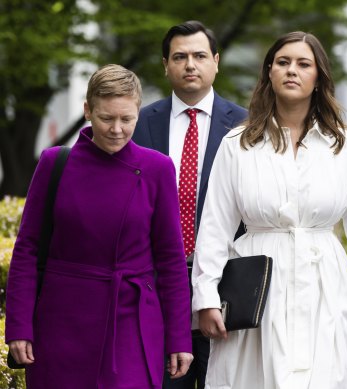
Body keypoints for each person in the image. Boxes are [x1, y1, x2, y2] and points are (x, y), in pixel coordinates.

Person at [191, 31, 347, 388]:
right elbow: (214, 227)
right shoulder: (238, 145)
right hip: (258, 286)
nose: (291, 71)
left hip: (325, 283)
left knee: (325, 376)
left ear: (319, 77)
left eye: (303, 64)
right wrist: (206, 297)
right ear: (269, 72)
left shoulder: (344, 147)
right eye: (282, 62)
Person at [5, 64, 193, 388]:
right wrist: (19, 326)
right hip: (62, 321)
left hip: (132, 321)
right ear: (88, 110)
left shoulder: (157, 168)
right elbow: (28, 248)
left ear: (138, 113)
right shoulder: (54, 163)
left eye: (127, 119)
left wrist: (179, 338)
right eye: (107, 118)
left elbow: (171, 260)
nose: (117, 129)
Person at [132, 20, 247, 389]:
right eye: (179, 57)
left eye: (199, 56)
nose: (190, 65)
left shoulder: (247, 125)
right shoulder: (140, 123)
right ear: (165, 64)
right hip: (157, 284)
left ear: (216, 61)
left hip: (227, 285)